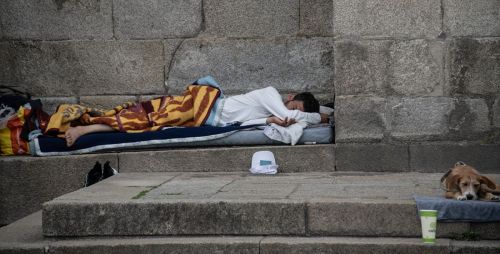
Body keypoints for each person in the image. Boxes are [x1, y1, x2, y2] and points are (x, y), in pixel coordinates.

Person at [50, 77, 326, 147]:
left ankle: (86, 127)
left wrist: (270, 119)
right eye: (294, 107)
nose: (291, 114)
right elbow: (292, 116)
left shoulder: (268, 113)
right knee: (140, 116)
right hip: (200, 107)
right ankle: (83, 125)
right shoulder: (270, 94)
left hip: (201, 117)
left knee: (142, 123)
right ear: (290, 98)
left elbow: (247, 122)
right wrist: (317, 116)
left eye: (294, 111)